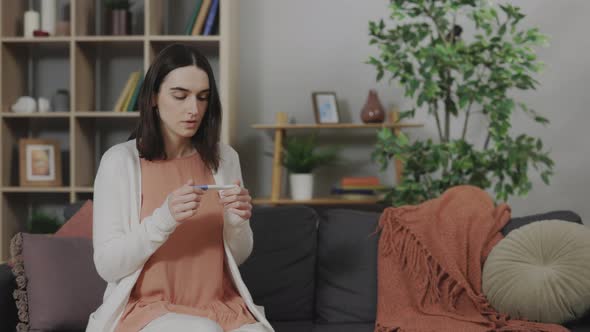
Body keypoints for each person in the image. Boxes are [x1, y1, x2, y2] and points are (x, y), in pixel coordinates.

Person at [86, 43, 273, 332]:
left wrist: (236, 223)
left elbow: (235, 257)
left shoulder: (225, 159)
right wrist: (164, 220)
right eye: (180, 95)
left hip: (219, 304)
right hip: (147, 309)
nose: (193, 109)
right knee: (202, 330)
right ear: (153, 98)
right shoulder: (119, 162)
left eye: (203, 97)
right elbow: (108, 266)